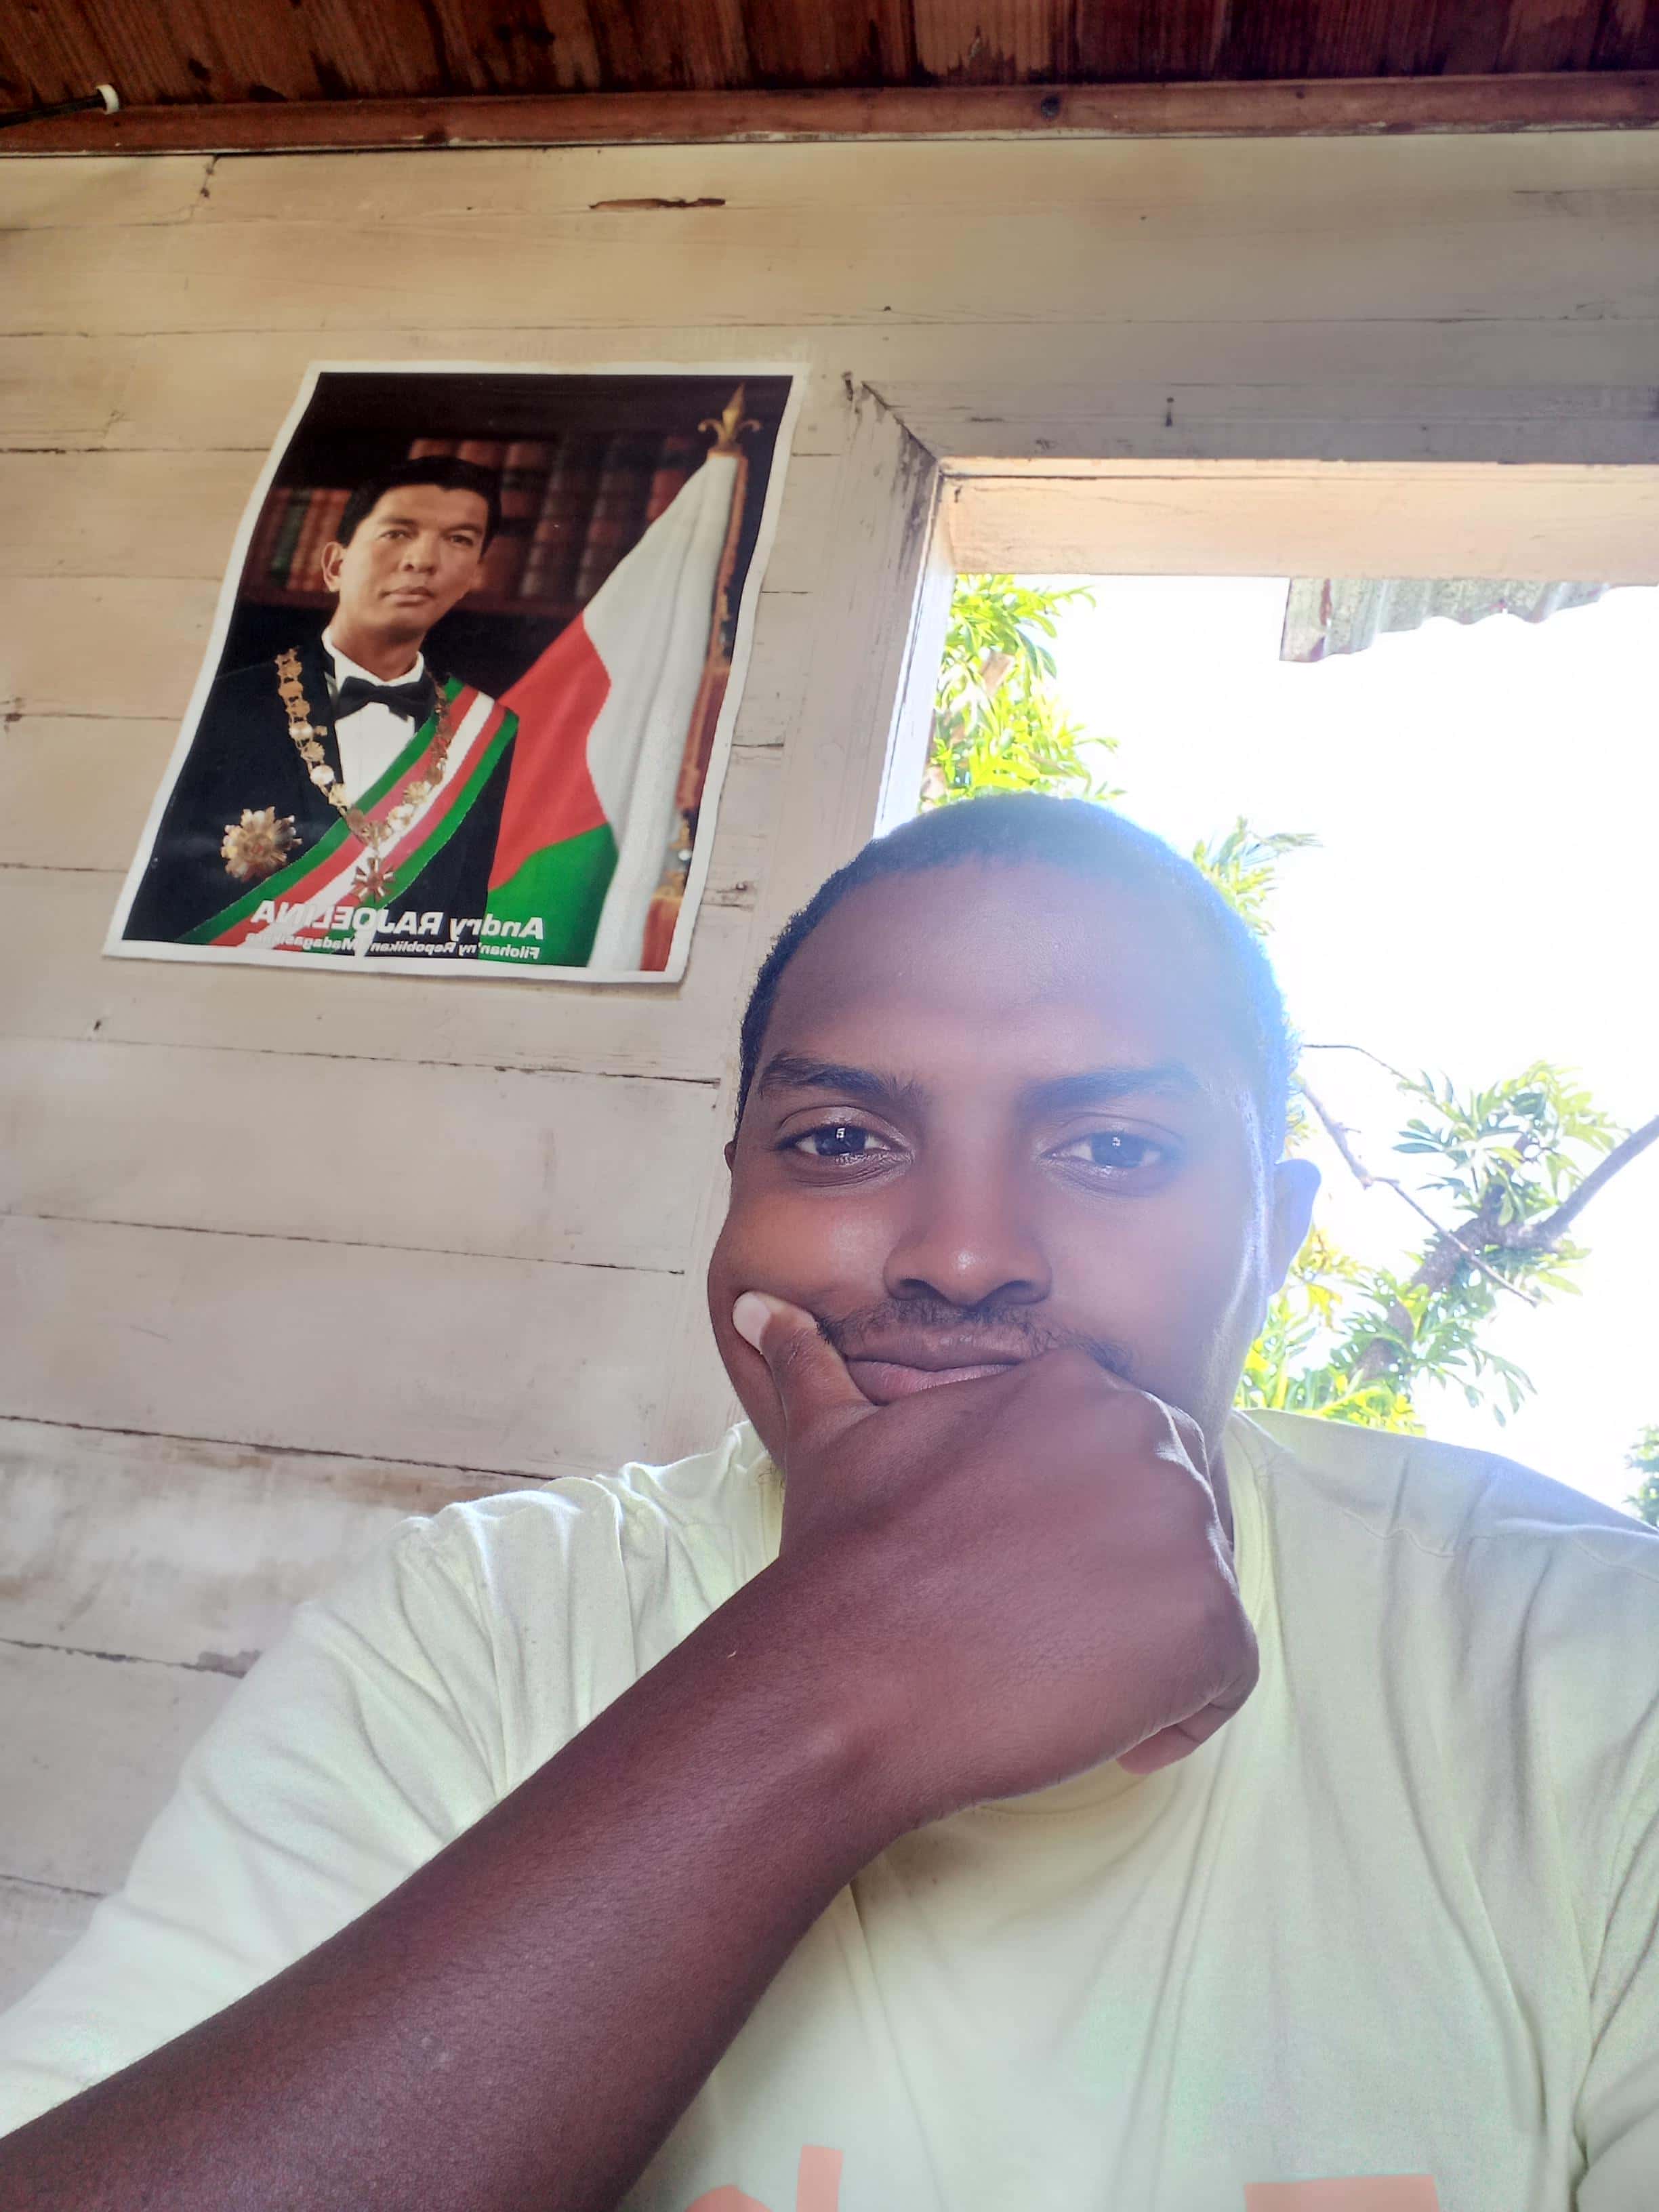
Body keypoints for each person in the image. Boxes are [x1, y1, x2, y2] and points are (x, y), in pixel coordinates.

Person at [5, 793, 1657, 2210]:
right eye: (842, 1137)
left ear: (1276, 1236)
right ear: (732, 1188)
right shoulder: (478, 1623)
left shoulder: (1575, 1662)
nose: (962, 1254)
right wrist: (826, 1689)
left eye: (1112, 1150)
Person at [121, 457, 518, 958]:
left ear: (474, 575)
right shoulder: (221, 704)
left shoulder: (485, 728)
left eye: (459, 539)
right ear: (334, 566)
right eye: (398, 533)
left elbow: (462, 917)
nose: (423, 560)